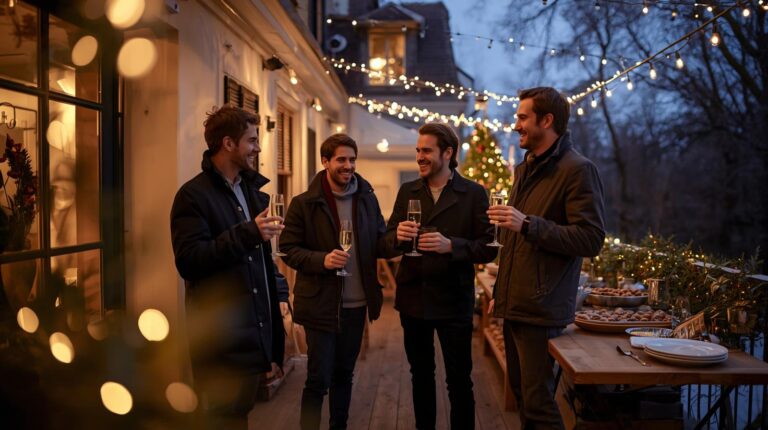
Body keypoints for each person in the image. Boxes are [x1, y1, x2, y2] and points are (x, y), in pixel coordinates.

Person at [488, 87, 606, 429]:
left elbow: (591, 238)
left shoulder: (578, 169)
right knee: (524, 397)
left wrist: (527, 224)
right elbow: (516, 241)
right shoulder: (525, 169)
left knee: (539, 406)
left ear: (547, 120)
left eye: (523, 118)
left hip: (542, 308)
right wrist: (501, 292)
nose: (516, 125)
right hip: (516, 303)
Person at [170, 106, 288, 429]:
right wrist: (250, 232)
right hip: (220, 341)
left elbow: (257, 259)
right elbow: (190, 261)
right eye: (252, 140)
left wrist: (279, 292)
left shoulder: (250, 191)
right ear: (228, 143)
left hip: (251, 336)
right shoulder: (192, 196)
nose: (259, 148)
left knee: (240, 415)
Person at [387, 122, 497, 430]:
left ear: (448, 153)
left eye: (427, 151)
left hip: (454, 302)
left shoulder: (474, 193)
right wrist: (397, 235)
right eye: (418, 150)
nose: (420, 157)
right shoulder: (407, 190)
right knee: (420, 377)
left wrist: (453, 246)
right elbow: (384, 242)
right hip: (413, 300)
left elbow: (489, 248)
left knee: (459, 380)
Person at [280, 134, 392, 430]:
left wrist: (400, 241)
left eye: (352, 160)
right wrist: (322, 260)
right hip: (320, 304)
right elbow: (288, 249)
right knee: (318, 379)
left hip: (356, 305)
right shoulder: (304, 203)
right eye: (341, 159)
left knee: (345, 374)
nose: (348, 166)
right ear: (325, 161)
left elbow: (380, 242)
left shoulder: (367, 197)